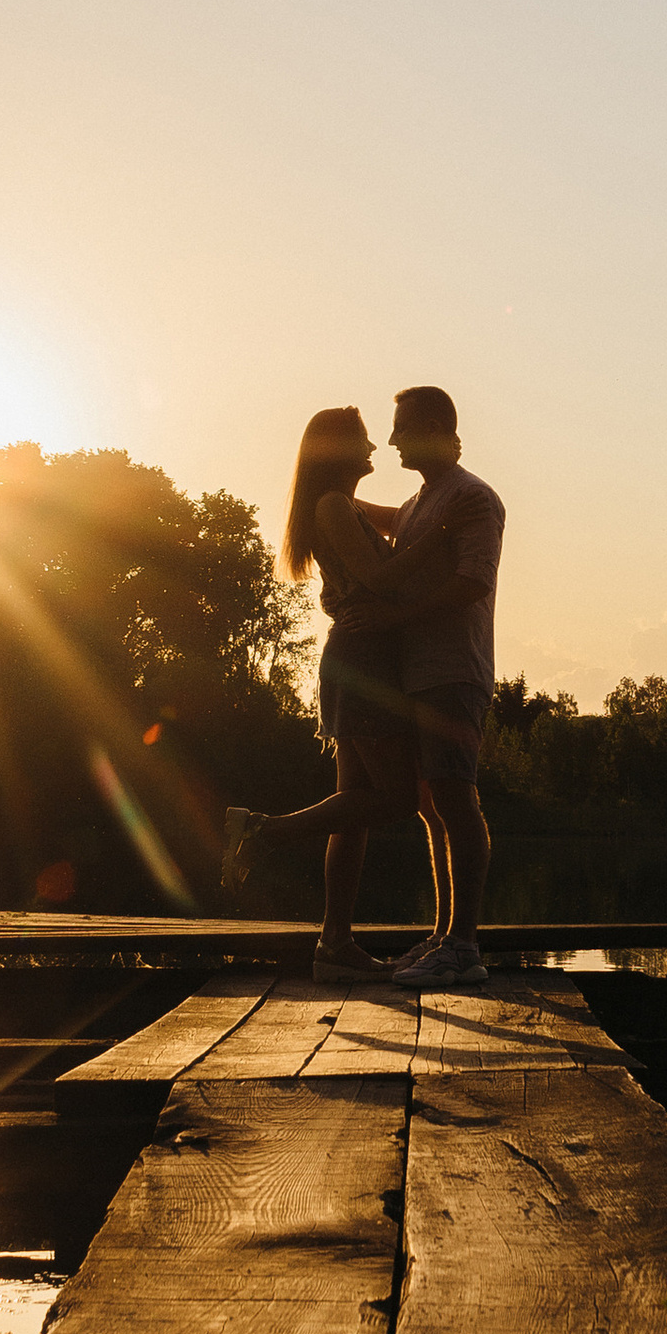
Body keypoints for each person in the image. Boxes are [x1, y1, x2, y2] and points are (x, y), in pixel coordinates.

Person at [224, 406, 425, 962]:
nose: (374, 450)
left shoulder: (345, 505)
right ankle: (264, 830)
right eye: (363, 440)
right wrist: (438, 557)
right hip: (363, 665)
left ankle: (334, 943)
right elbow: (382, 577)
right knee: (399, 798)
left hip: (361, 661)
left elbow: (407, 519)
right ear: (338, 451)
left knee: (353, 810)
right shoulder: (333, 505)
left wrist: (448, 509)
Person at [331, 386, 504, 988]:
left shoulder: (474, 498)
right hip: (412, 677)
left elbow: (472, 584)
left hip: (454, 670)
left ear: (434, 428)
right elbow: (367, 518)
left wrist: (390, 619)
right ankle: (442, 937)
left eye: (403, 427)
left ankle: (465, 948)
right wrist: (326, 496)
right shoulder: (418, 504)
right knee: (430, 807)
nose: (394, 439)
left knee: (456, 799)